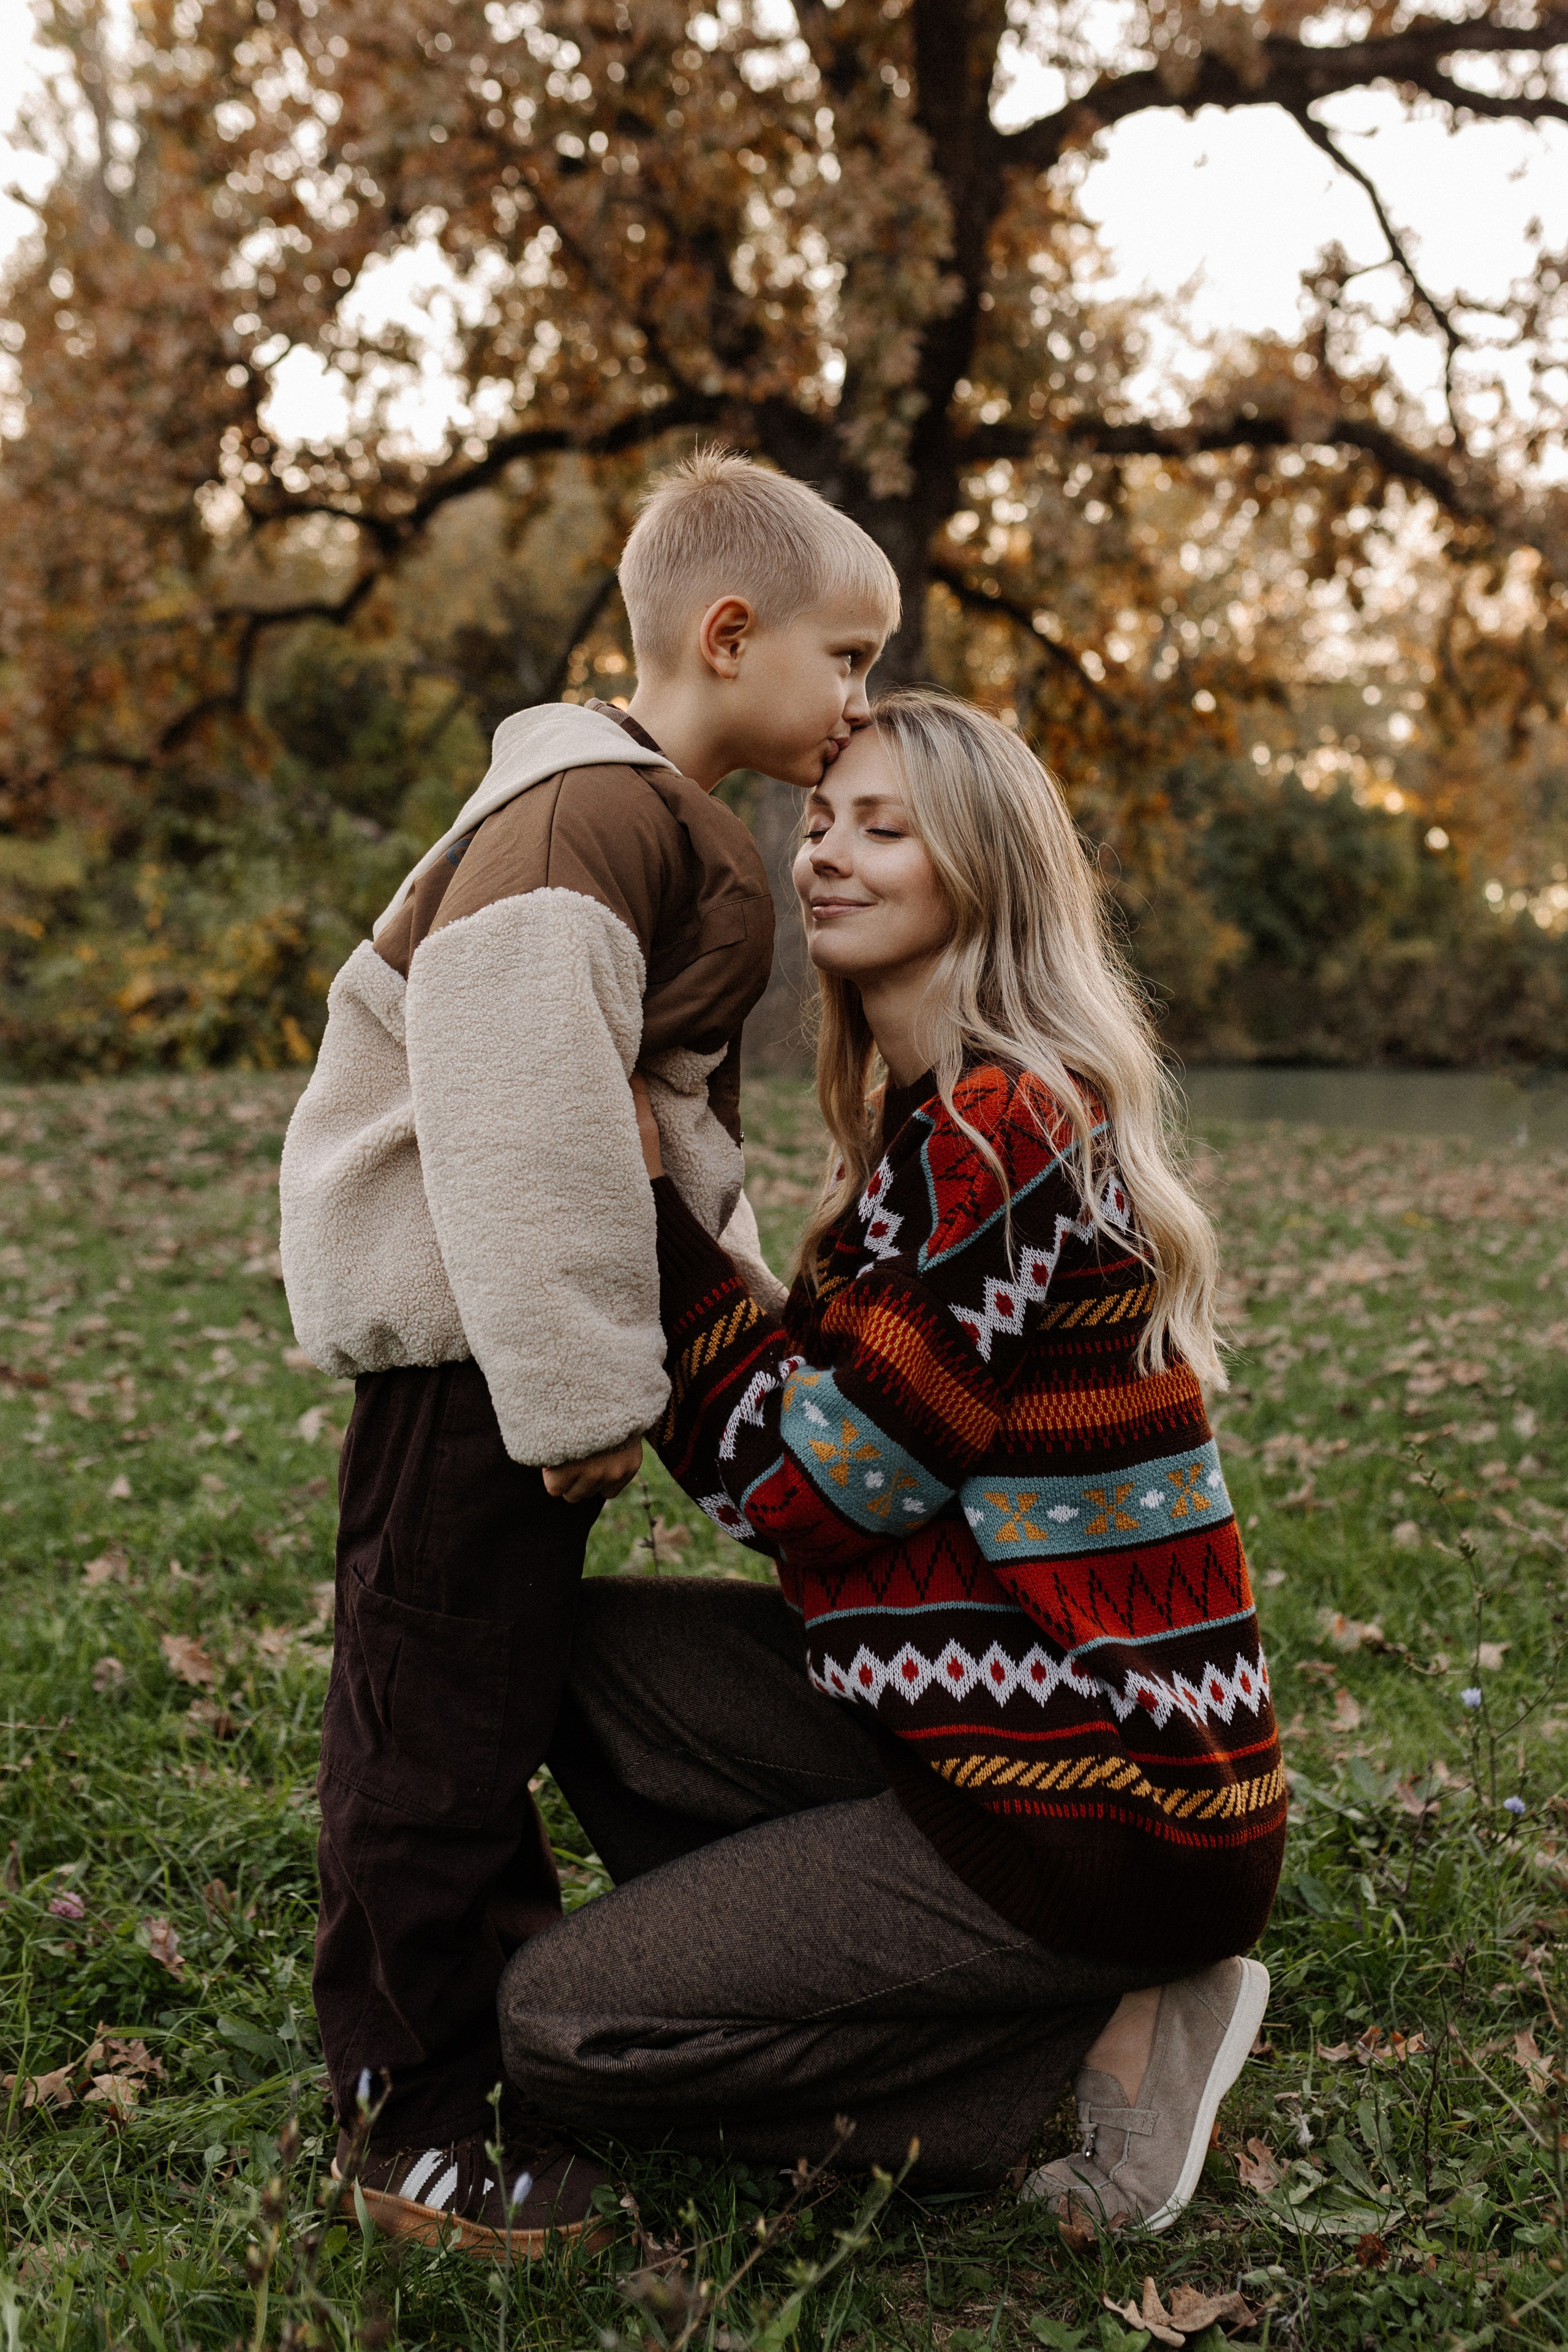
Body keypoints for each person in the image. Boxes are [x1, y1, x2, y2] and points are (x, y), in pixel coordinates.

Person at [499, 690, 1283, 2228]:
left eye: (883, 829)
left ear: (978, 872)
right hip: (972, 1736)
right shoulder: (927, 1135)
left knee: (559, 2028)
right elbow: (797, 1454)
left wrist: (639, 1209)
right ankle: (941, 1980)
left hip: (1103, 1803)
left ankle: (1071, 2046)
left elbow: (814, 1488)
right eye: (819, 822)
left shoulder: (1002, 1132)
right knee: (565, 1659)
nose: (824, 858)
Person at [277, 450, 900, 2256]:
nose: (858, 701)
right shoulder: (590, 822)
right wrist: (574, 1383)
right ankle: (415, 2115)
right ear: (729, 633)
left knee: (470, 1681)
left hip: (509, 1341)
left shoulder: (642, 823)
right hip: (477, 1346)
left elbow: (640, 1122)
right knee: (434, 1719)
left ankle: (475, 2044)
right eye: (845, 658)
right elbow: (524, 1105)